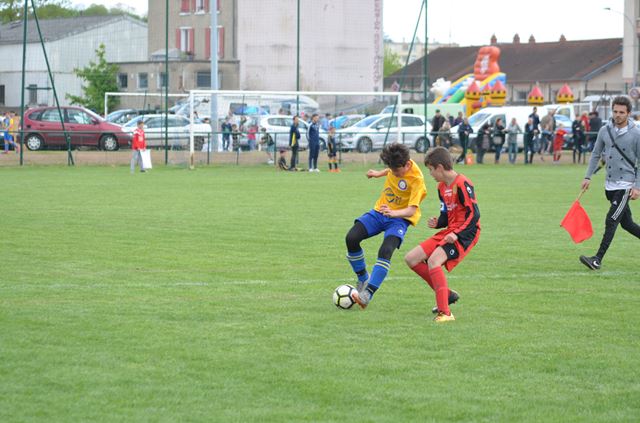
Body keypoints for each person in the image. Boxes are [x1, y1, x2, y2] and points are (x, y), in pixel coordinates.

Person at [404, 146, 481, 322]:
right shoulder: (441, 187)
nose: (430, 174)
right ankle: (446, 294)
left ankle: (445, 313)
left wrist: (458, 234)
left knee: (434, 261)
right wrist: (438, 222)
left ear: (439, 167)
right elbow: (446, 216)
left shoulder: (462, 183)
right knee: (411, 259)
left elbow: (474, 214)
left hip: (466, 232)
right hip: (450, 230)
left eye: (431, 169)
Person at [347, 143, 426, 309]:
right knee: (351, 238)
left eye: (397, 171)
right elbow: (390, 170)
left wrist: (394, 213)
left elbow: (412, 210)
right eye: (391, 170)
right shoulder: (396, 165)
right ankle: (363, 278)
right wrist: (378, 174)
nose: (394, 173)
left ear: (407, 164)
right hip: (380, 211)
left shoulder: (417, 180)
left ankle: (367, 294)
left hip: (400, 219)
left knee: (386, 250)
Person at [579, 96, 640, 270]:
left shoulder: (636, 134)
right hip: (609, 185)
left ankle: (597, 259)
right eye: (615, 111)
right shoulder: (604, 130)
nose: (617, 115)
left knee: (611, 219)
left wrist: (637, 186)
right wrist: (588, 177)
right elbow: (595, 154)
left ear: (628, 113)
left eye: (621, 112)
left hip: (626, 185)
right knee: (627, 224)